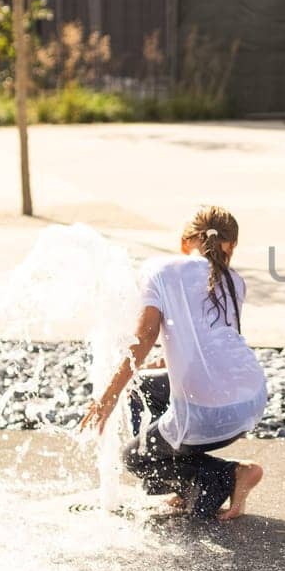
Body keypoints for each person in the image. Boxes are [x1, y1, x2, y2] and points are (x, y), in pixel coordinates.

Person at [79, 205, 267, 521]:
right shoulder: (234, 280)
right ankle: (186, 478)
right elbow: (215, 347)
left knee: (135, 458)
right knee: (141, 387)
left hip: (208, 416)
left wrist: (108, 396)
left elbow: (143, 338)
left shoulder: (161, 270)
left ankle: (230, 474)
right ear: (231, 246)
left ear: (184, 241)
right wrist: (154, 367)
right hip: (253, 400)